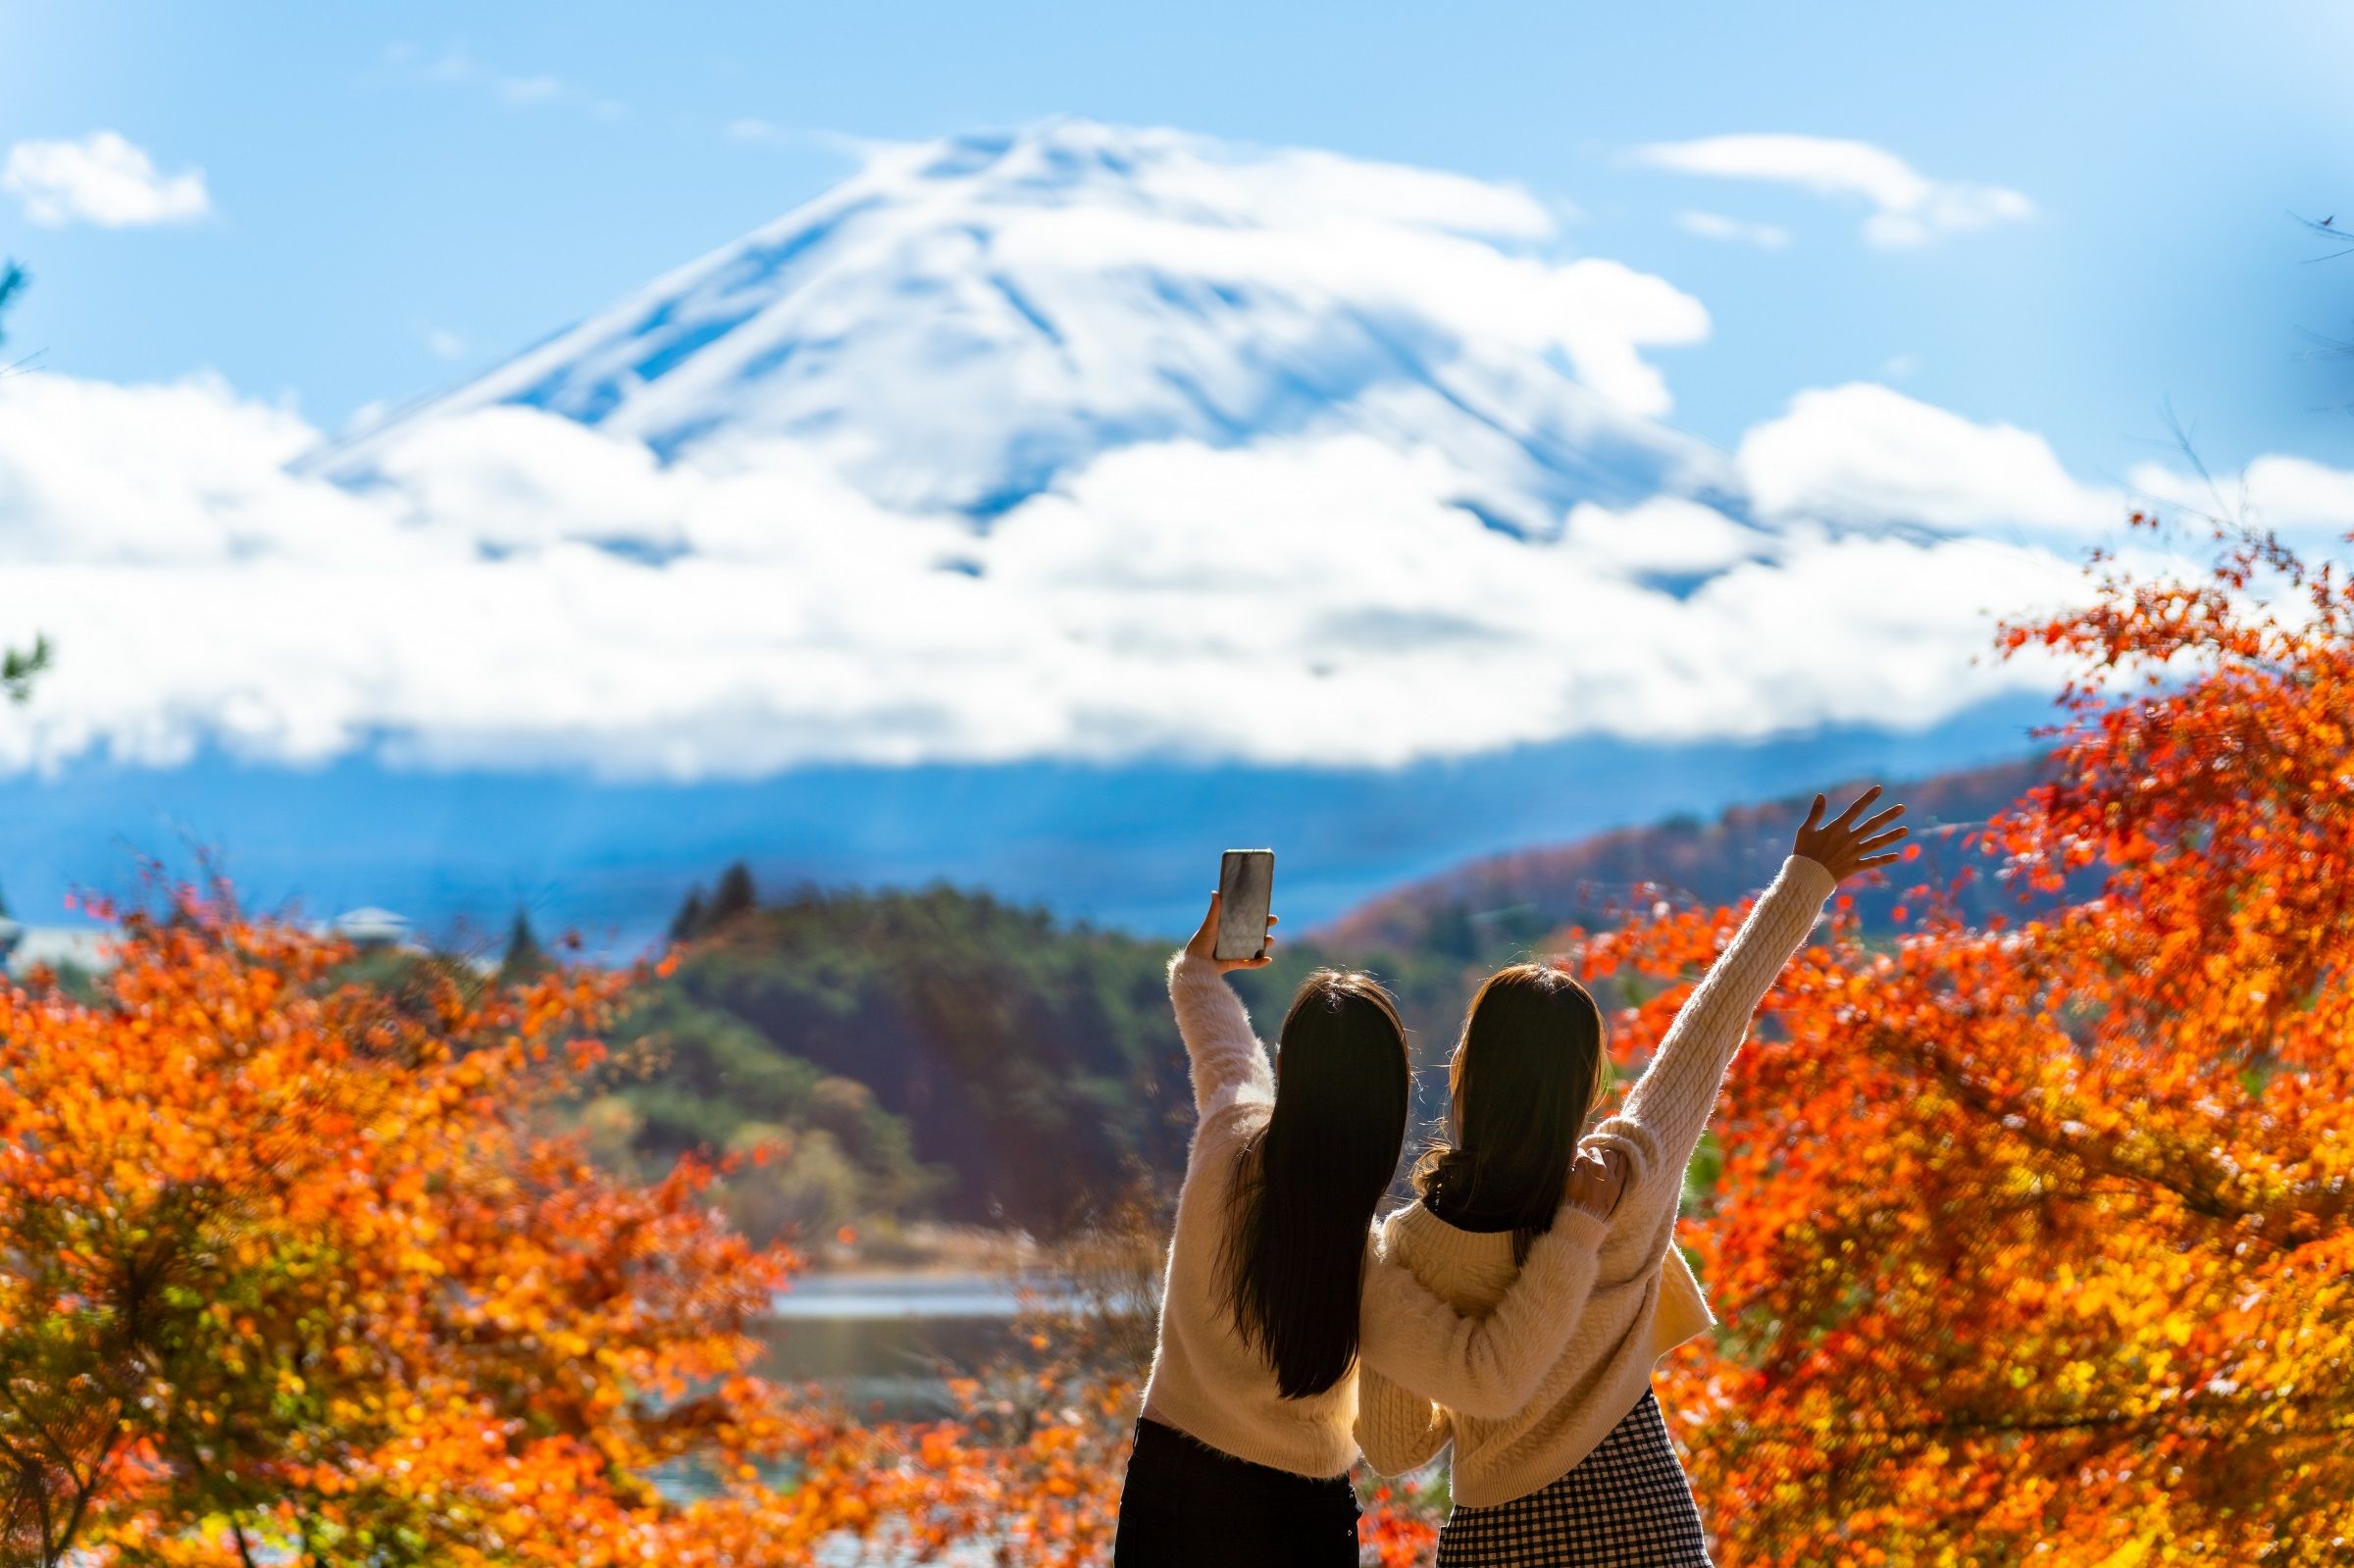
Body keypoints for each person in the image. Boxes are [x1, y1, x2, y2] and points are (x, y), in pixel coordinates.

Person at [1356, 787, 1907, 1566]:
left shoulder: (1409, 1246)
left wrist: (1457, 1370)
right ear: (1589, 1087)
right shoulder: (1625, 1175)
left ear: (1466, 1072)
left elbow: (1393, 1445)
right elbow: (1712, 1025)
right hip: (1641, 1514)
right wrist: (1806, 876)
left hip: (1500, 1542)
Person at [1111, 895, 1634, 1565]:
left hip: (1166, 1486)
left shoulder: (1228, 1134)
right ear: (1389, 1107)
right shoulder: (1364, 1272)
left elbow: (1216, 1036)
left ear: (1289, 1065)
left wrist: (1199, 965)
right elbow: (1493, 1378)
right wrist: (1577, 1235)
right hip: (1293, 1523)